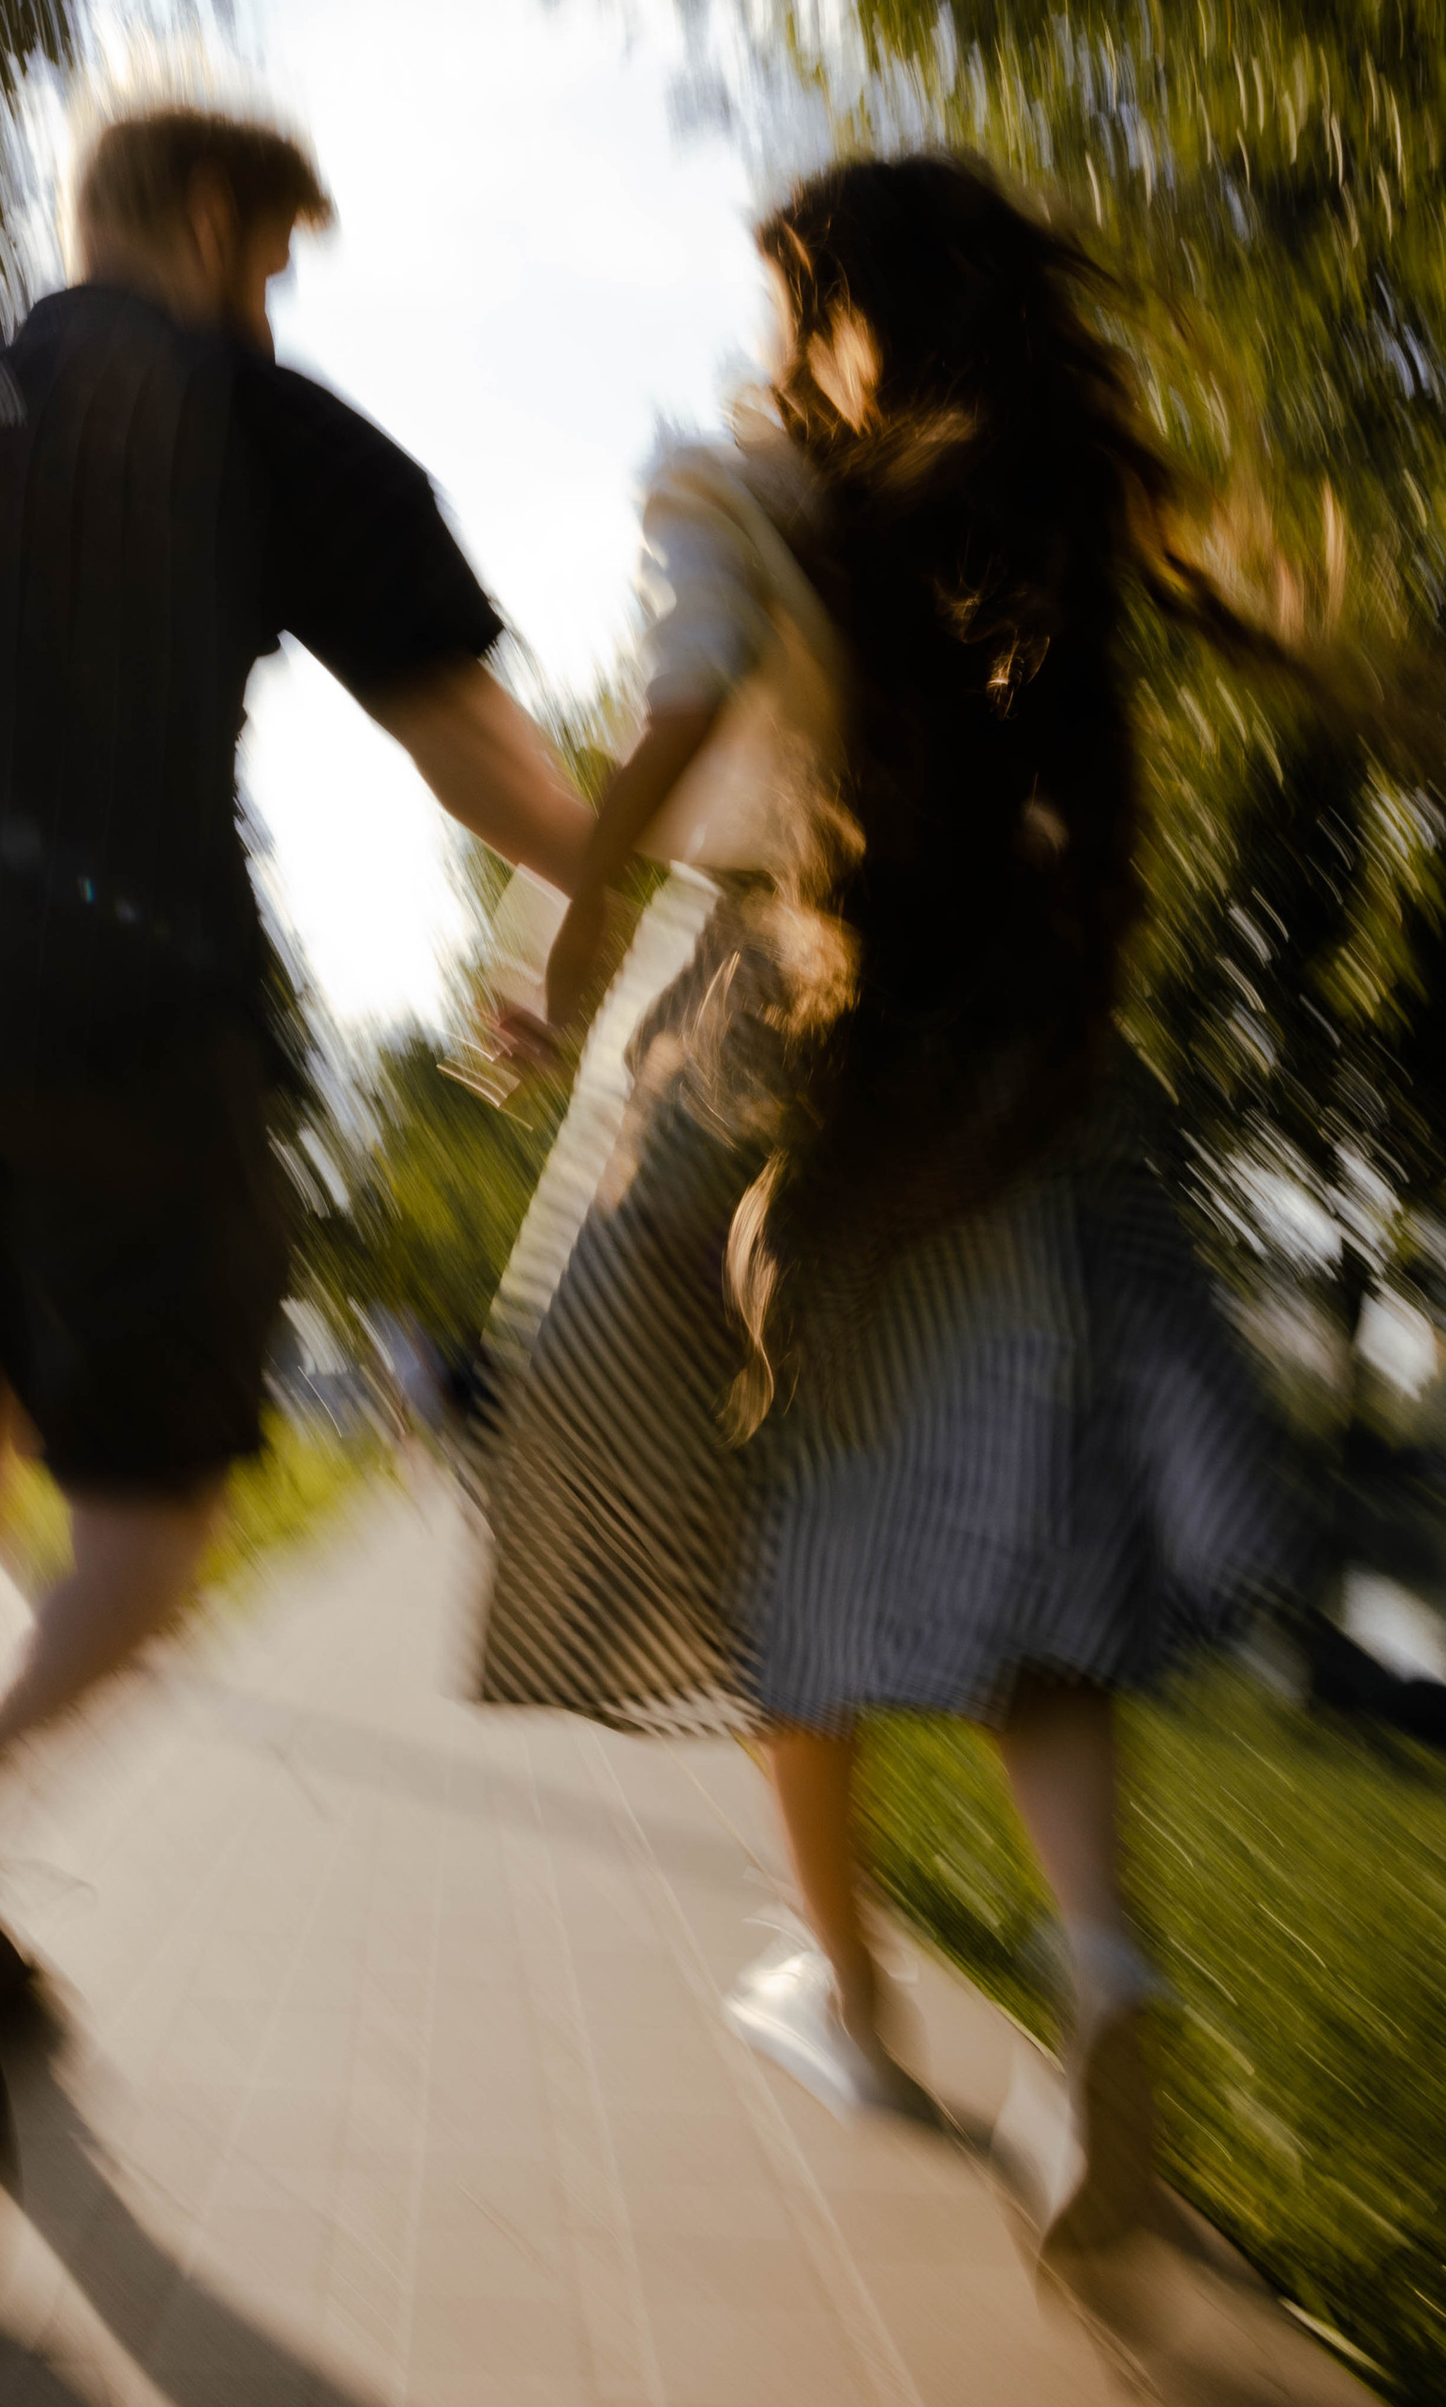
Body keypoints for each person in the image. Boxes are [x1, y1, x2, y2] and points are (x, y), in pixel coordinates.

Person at [0, 101, 591, 2128]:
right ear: (209, 220)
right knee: (150, 1538)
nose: (267, 308)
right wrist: (653, 871)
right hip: (124, 1033)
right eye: (267, 263)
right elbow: (470, 752)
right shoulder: (245, 415)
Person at [475, 152, 1299, 2276]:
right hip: (1006, 1043)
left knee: (776, 1531)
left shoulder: (743, 496)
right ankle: (1105, 1978)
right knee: (1027, 1572)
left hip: (790, 1040)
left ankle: (842, 1989)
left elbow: (668, 732)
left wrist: (560, 955)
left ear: (824, 307)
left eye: (788, 302)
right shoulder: (1017, 503)